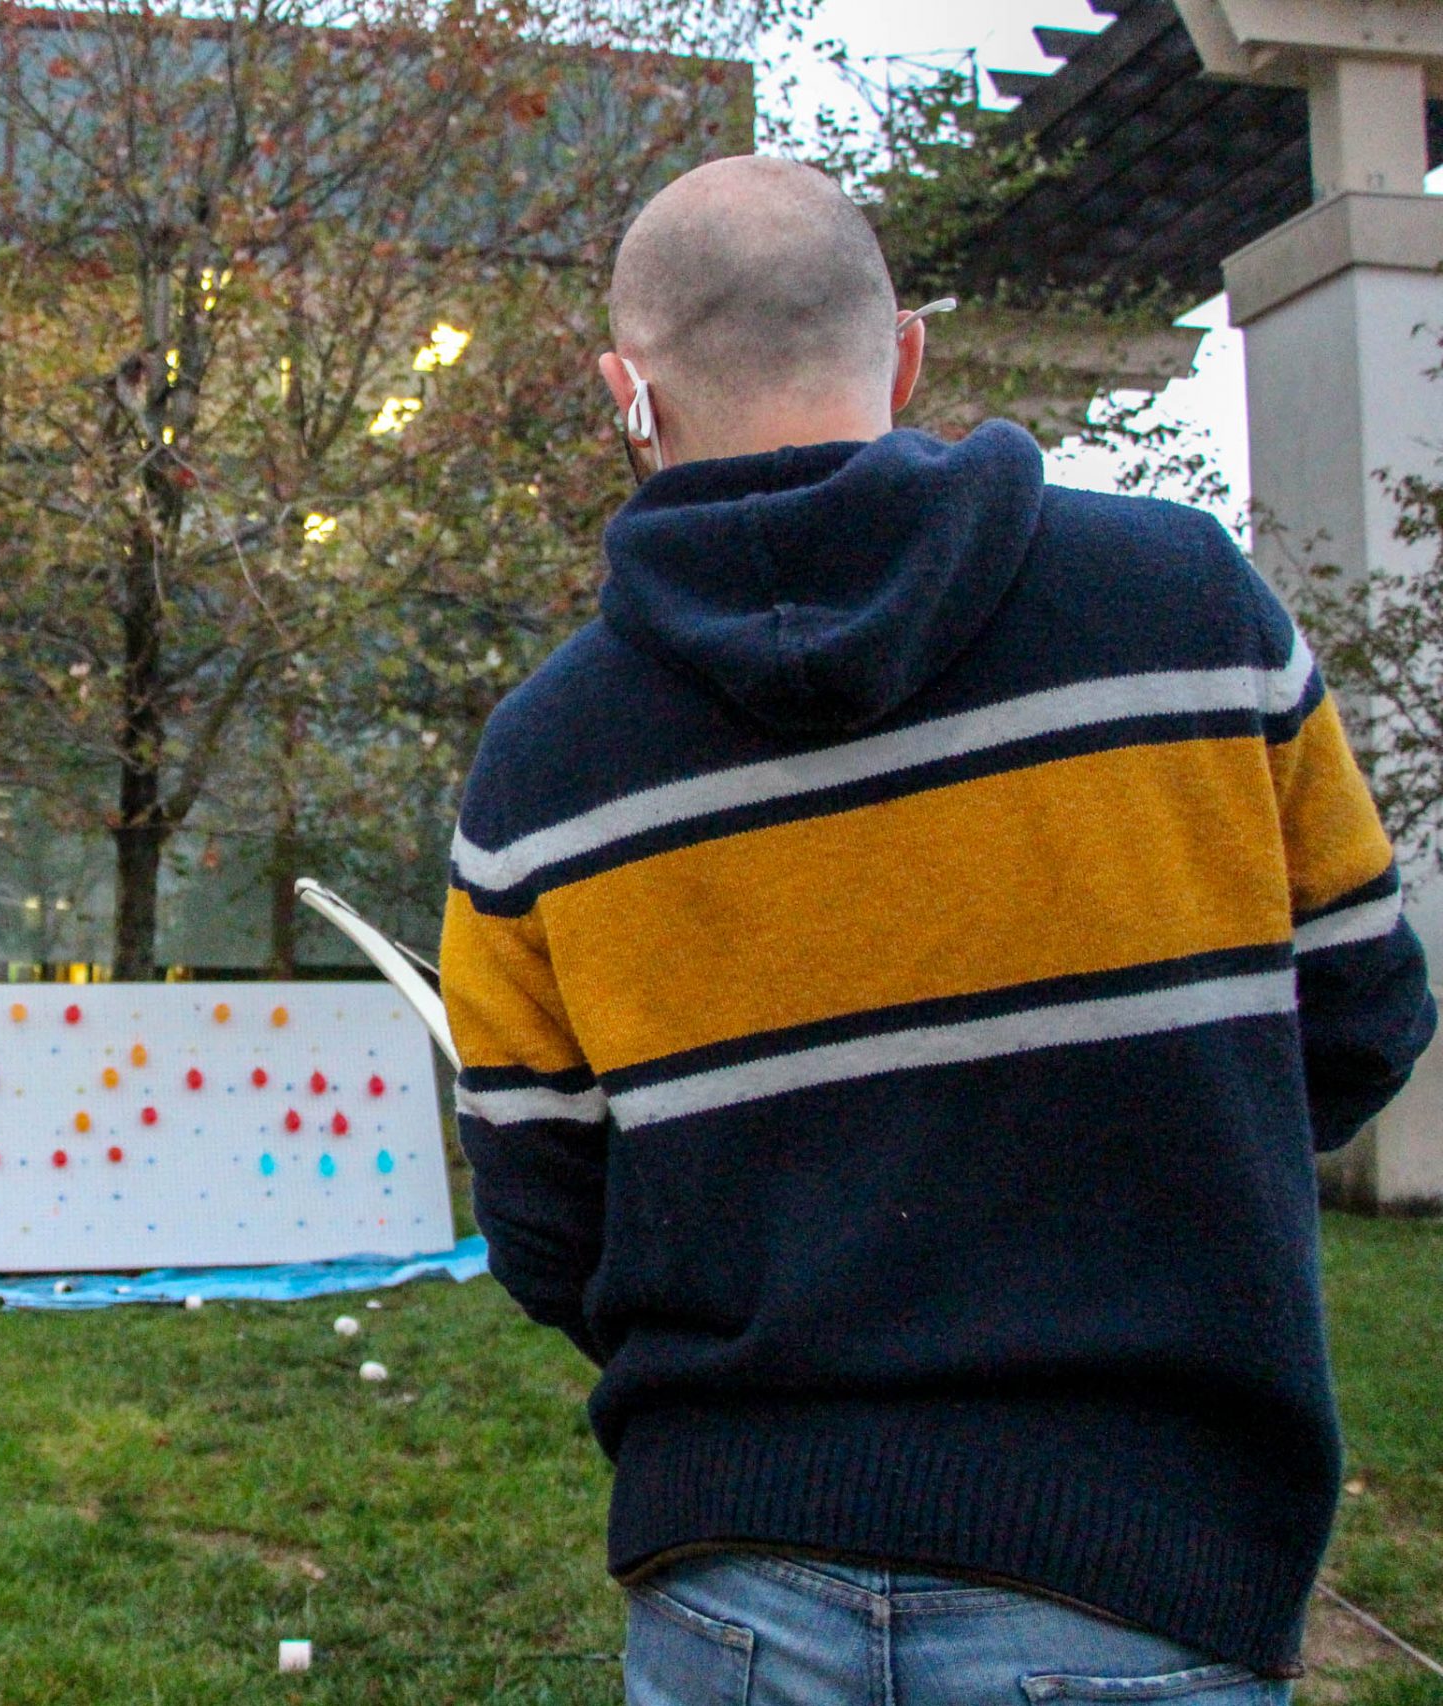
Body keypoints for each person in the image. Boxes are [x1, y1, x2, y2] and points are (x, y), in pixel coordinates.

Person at [441, 154, 1436, 1706]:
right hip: (1148, 1562)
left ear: (625, 395)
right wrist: (1151, 1158)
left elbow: (547, 1217)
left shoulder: (546, 758)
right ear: (905, 351)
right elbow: (1366, 1011)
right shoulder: (1185, 606)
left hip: (732, 1584)